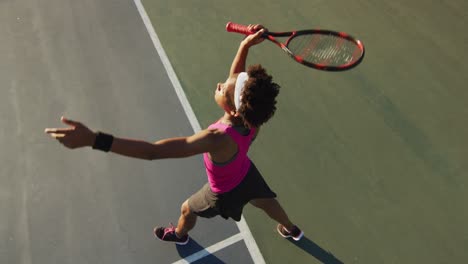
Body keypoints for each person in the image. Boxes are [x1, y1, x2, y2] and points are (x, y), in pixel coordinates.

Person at [45, 24, 303, 245]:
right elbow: (237, 81)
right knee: (267, 202)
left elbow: (153, 152)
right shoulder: (252, 120)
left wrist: (94, 139)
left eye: (223, 88)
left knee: (187, 209)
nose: (220, 83)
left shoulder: (216, 138)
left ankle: (180, 235)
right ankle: (291, 229)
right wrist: (245, 46)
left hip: (221, 192)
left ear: (233, 109)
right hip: (246, 173)